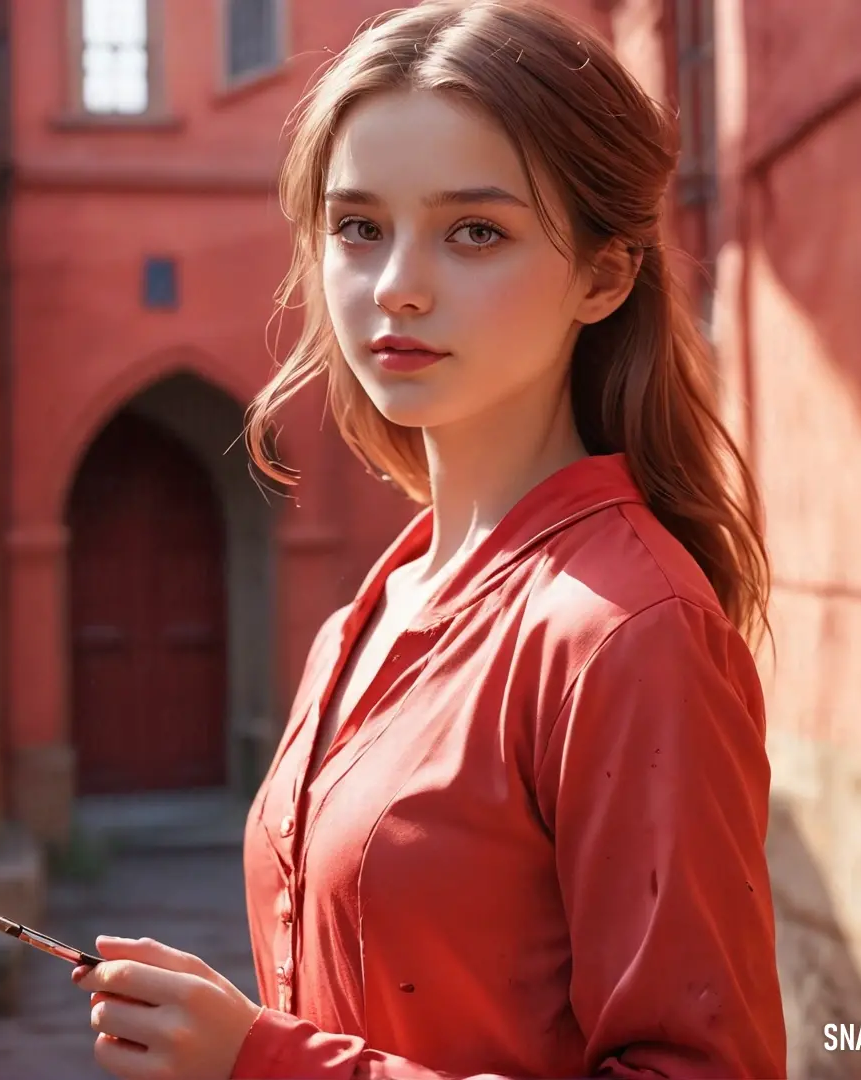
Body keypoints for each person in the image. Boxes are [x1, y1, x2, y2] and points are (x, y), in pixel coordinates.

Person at [73, 0, 788, 1076]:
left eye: (475, 231)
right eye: (357, 225)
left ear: (604, 275)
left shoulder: (628, 632)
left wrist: (267, 1063)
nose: (395, 283)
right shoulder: (378, 603)